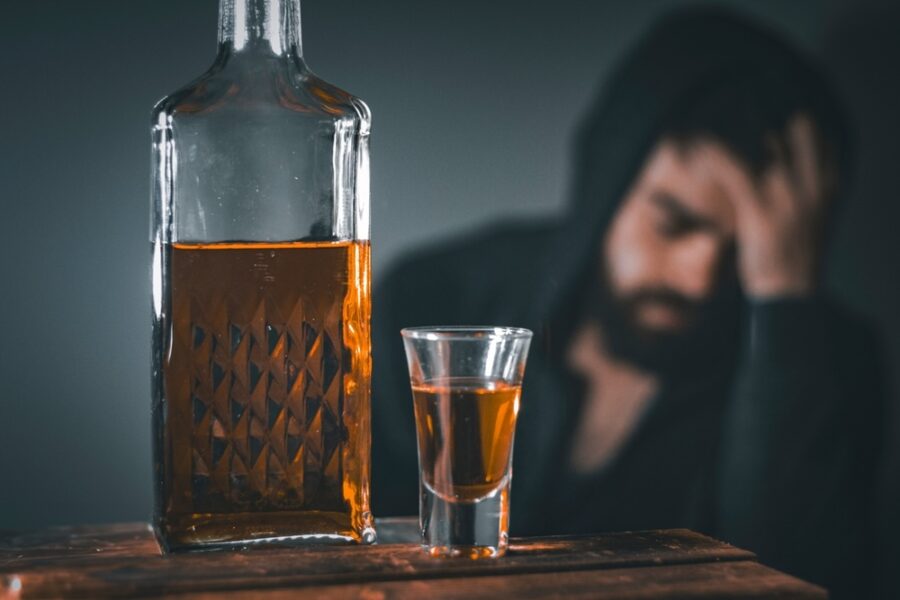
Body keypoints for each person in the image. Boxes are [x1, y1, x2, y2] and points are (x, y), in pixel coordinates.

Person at [371, 8, 885, 598]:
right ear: (607, 182)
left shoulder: (824, 366)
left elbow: (805, 577)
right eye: (674, 221)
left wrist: (786, 304)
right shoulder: (434, 296)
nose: (699, 277)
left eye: (747, 249)